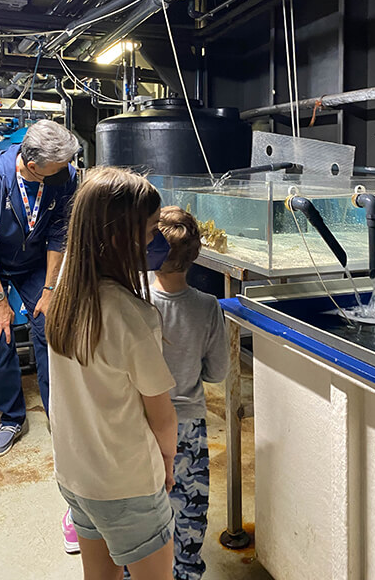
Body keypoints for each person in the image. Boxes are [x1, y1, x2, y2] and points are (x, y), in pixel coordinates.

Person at [47, 167, 178, 580]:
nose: (157, 240)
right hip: (127, 483)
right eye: (153, 229)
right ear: (122, 239)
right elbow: (162, 416)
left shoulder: (66, 289)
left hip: (75, 475)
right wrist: (168, 461)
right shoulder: (131, 316)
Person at [0, 119, 79, 457]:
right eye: (57, 169)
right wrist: (0, 303)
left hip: (34, 260)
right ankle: (11, 418)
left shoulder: (64, 176)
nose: (66, 173)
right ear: (32, 166)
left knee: (49, 327)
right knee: (1, 335)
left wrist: (49, 290)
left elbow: (59, 232)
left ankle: (58, 412)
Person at [150, 206, 228, 580]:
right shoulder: (208, 307)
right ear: (195, 254)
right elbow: (217, 372)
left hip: (143, 423)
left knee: (145, 511)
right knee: (189, 514)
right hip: (189, 428)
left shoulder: (137, 303)